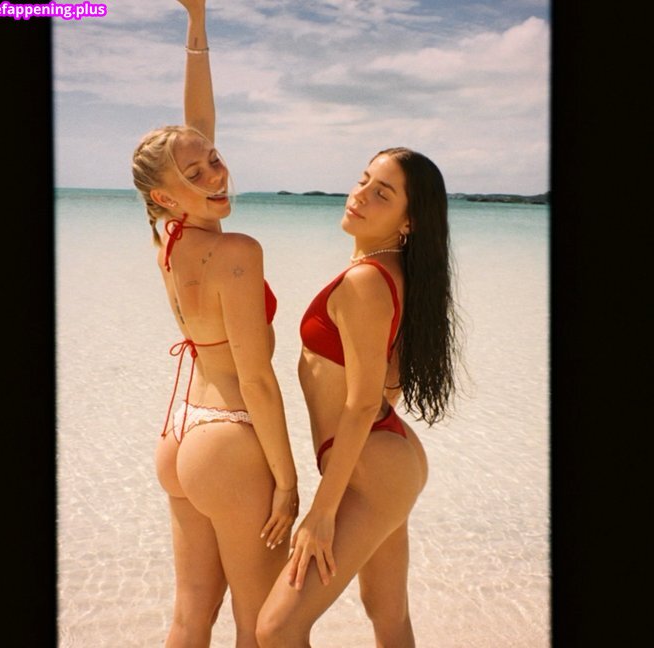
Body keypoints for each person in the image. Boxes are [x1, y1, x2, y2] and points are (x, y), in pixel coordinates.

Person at [131, 2, 299, 646]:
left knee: (190, 616)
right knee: (266, 628)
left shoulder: (170, 238)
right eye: (195, 175)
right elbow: (256, 380)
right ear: (164, 196)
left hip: (179, 434)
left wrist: (195, 21)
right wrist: (288, 480)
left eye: (216, 159)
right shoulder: (236, 252)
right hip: (229, 438)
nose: (216, 174)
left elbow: (195, 127)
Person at [256, 147, 460, 647]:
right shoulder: (397, 273)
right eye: (364, 180)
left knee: (277, 628)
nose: (360, 195)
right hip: (390, 459)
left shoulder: (367, 280)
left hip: (373, 469)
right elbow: (388, 384)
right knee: (388, 616)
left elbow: (364, 402)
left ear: (408, 221)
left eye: (382, 194)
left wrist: (322, 513)